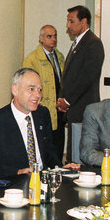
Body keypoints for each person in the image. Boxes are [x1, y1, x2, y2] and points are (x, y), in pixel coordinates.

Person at [0, 68, 78, 180]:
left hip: (43, 182)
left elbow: (49, 151)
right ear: (15, 89)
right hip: (12, 187)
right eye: (31, 89)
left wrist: (61, 169)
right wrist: (18, 172)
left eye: (40, 90)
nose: (37, 95)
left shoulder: (42, 114)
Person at [56, 5, 104, 164]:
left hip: (84, 107)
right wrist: (63, 98)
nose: (68, 26)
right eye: (67, 21)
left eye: (71, 21)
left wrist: (67, 100)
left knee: (81, 154)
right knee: (72, 153)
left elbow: (87, 77)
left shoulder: (93, 43)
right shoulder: (78, 42)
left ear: (83, 22)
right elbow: (70, 76)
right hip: (74, 108)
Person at [22, 24, 66, 161]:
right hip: (42, 109)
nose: (53, 39)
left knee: (58, 145)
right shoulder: (32, 59)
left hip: (58, 109)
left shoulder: (59, 57)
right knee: (46, 146)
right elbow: (26, 86)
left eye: (55, 36)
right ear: (41, 38)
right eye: (49, 36)